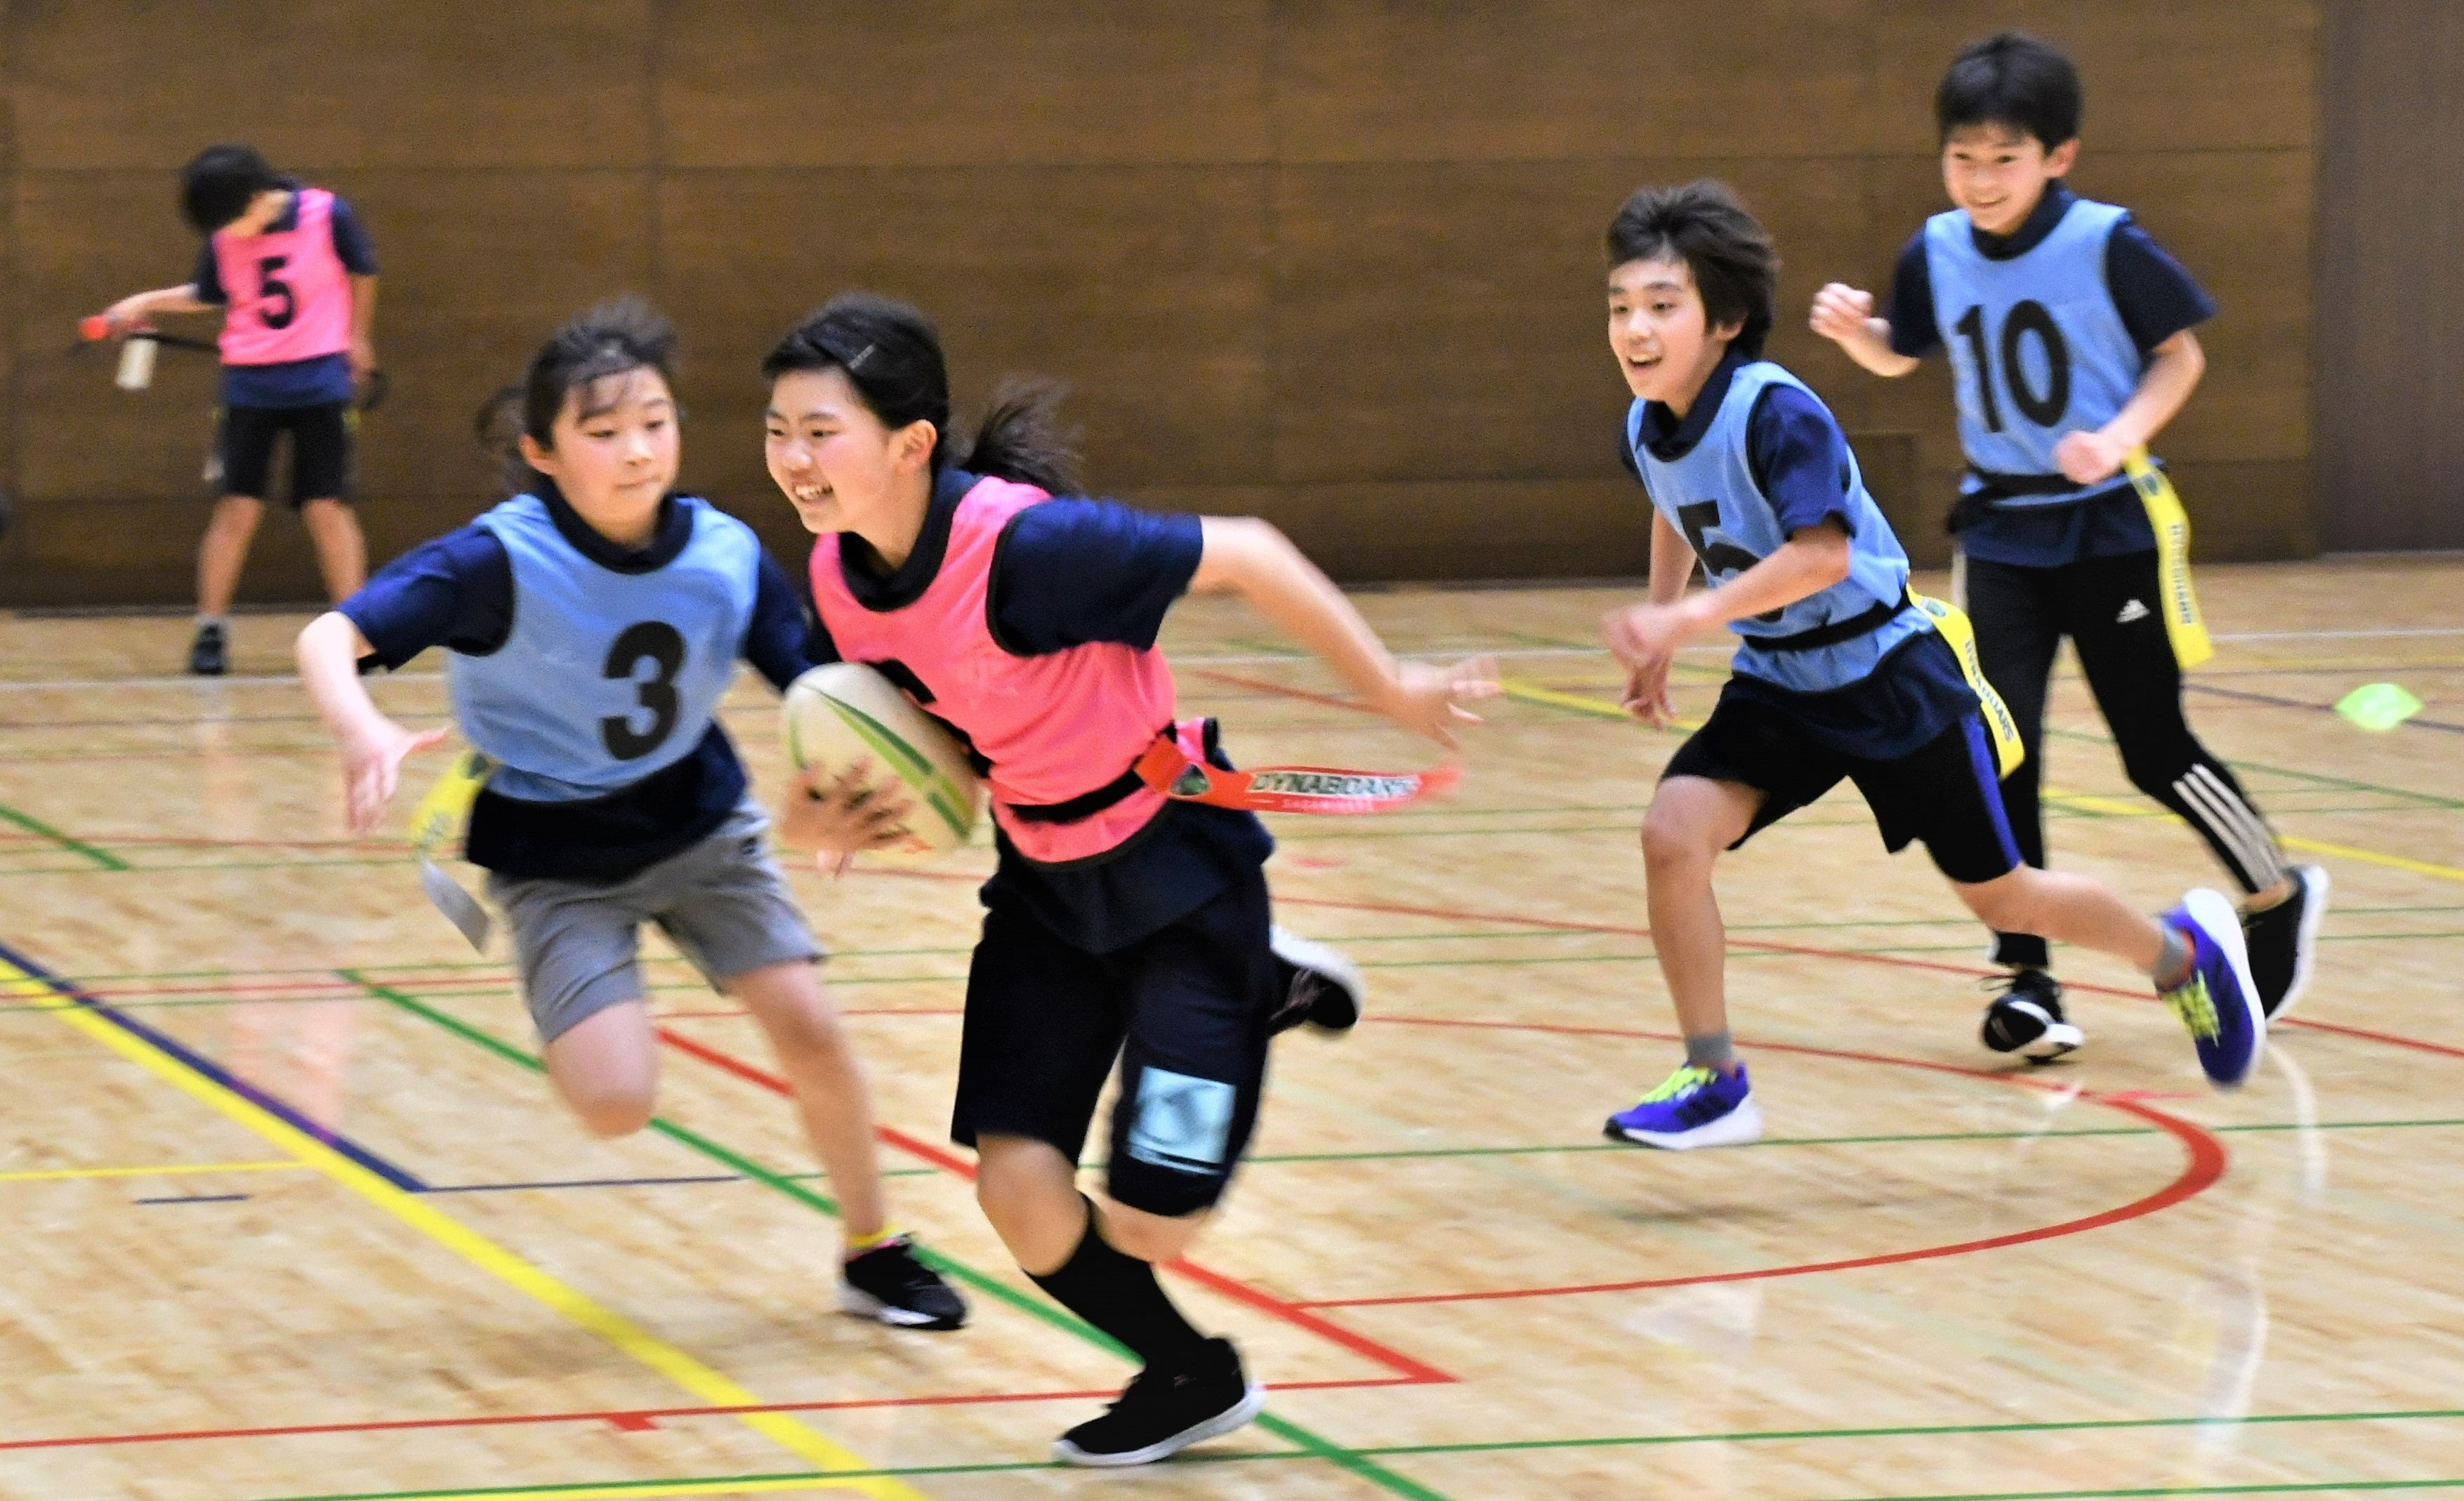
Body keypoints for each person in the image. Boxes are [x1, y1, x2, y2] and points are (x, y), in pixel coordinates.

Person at [760, 293, 1494, 1466]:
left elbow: (1248, 550)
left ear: (910, 443)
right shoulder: (841, 580)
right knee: (1016, 1188)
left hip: (1180, 881)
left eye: (819, 431)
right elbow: (933, 730)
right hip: (1043, 887)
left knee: (1154, 1216)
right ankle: (1187, 1372)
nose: (794, 460)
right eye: (778, 431)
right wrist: (838, 810)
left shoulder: (1034, 551)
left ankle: (1256, 981)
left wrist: (1394, 685)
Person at [294, 298, 966, 1330]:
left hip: (701, 825)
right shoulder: (493, 561)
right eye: (602, 433)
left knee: (812, 1028)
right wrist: (362, 729)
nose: (637, 449)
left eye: (654, 422)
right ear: (543, 452)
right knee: (615, 1104)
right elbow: (329, 638)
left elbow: (822, 691)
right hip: (555, 855)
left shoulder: (724, 551)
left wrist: (839, 796)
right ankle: (579, 987)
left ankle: (872, 1246)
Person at [1595, 180, 2262, 1152]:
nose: (1635, 327)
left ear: (1726, 319)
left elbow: (1821, 555)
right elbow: (1671, 499)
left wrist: (1691, 615)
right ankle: (1713, 1076)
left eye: (1662, 305)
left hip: (1889, 673)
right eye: (1620, 307)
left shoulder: (1777, 412)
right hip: (1781, 682)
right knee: (1670, 834)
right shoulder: (1646, 422)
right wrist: (1663, 620)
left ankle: (2182, 956)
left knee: (2004, 896)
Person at [1808, 32, 2326, 1060]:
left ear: (2059, 157)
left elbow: (2180, 357)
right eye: (1963, 157)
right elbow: (1903, 354)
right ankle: (2029, 977)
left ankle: (2274, 892)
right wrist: (1856, 335)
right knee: (2004, 751)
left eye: (2005, 157)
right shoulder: (1935, 249)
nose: (1981, 178)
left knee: (2153, 749)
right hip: (2000, 533)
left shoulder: (2105, 244)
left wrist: (2121, 436)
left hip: (2109, 529)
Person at [99, 143, 378, 676]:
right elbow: (209, 293)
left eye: (236, 222)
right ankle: (211, 628)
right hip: (249, 387)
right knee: (237, 508)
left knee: (326, 507)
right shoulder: (224, 232)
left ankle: (357, 628)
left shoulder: (326, 214)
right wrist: (144, 301)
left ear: (259, 198)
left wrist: (358, 338)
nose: (231, 235)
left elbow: (363, 269)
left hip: (320, 382)